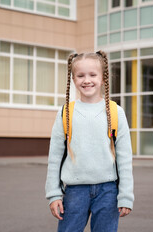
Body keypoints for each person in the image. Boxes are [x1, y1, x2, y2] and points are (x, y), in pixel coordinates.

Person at [45, 51, 134, 232]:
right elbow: (54, 157)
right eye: (80, 75)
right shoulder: (66, 113)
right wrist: (54, 194)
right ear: (74, 79)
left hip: (108, 191)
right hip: (74, 192)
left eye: (93, 75)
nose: (87, 80)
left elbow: (124, 158)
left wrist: (126, 195)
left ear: (103, 78)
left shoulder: (116, 112)